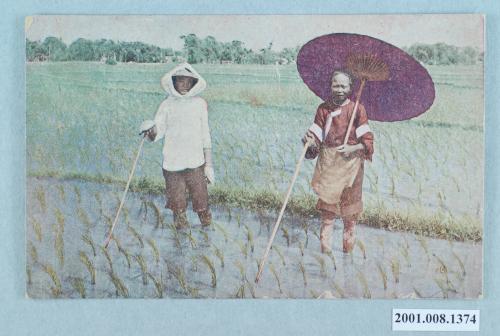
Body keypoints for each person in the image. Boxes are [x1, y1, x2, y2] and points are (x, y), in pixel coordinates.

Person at [302, 70, 374, 253]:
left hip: (351, 166)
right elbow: (315, 139)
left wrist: (352, 147)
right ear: (330, 86)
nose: (339, 89)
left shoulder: (357, 109)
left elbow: (367, 141)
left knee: (349, 216)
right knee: (327, 214)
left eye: (343, 86)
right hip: (329, 164)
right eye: (336, 85)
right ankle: (325, 258)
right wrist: (309, 142)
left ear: (350, 88)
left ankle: (347, 254)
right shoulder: (323, 109)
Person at [140, 63, 214, 228]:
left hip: (195, 163)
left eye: (189, 81)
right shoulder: (167, 105)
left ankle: (206, 238)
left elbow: (205, 135)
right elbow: (158, 132)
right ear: (173, 82)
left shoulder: (200, 104)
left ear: (194, 83)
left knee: (202, 205)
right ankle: (180, 242)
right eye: (181, 81)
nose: (185, 85)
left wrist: (209, 166)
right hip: (172, 164)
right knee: (178, 208)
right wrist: (149, 131)